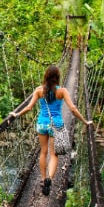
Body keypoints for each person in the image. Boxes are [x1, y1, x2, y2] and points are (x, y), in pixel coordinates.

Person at [10, 65, 93, 196]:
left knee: (43, 152)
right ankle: (49, 178)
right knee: (54, 155)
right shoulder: (62, 91)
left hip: (42, 124)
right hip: (56, 125)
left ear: (46, 76)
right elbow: (72, 109)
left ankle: (43, 179)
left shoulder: (38, 90)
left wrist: (16, 114)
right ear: (58, 77)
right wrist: (85, 121)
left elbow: (29, 107)